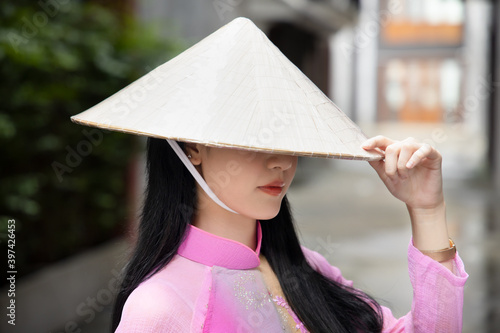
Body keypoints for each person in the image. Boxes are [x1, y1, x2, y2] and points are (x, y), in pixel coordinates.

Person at [71, 18, 468, 332]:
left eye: (287, 140)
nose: (281, 162)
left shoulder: (307, 268)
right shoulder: (159, 308)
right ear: (192, 147)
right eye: (255, 141)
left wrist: (427, 210)